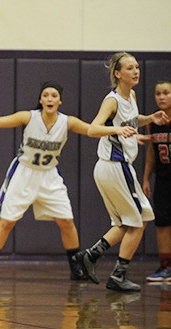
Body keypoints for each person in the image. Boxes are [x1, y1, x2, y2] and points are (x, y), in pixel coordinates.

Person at [0, 81, 90, 281]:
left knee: (66, 221)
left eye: (54, 95)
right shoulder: (29, 117)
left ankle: (76, 266)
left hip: (49, 175)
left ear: (60, 101)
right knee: (6, 222)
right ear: (40, 99)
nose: (49, 98)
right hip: (24, 173)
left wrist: (119, 131)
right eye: (46, 95)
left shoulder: (68, 122)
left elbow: (92, 130)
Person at [73, 52, 170, 292]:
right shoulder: (112, 99)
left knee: (133, 221)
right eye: (130, 68)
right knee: (138, 221)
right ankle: (117, 274)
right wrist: (116, 132)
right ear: (118, 73)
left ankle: (92, 256)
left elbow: (129, 120)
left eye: (137, 67)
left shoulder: (132, 95)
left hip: (117, 168)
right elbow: (93, 129)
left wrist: (149, 117)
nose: (136, 71)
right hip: (114, 165)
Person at [142, 79, 171, 283]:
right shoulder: (152, 121)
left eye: (166, 93)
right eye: (158, 93)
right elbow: (152, 152)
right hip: (162, 179)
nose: (161, 97)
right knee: (162, 223)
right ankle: (165, 267)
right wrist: (145, 178)